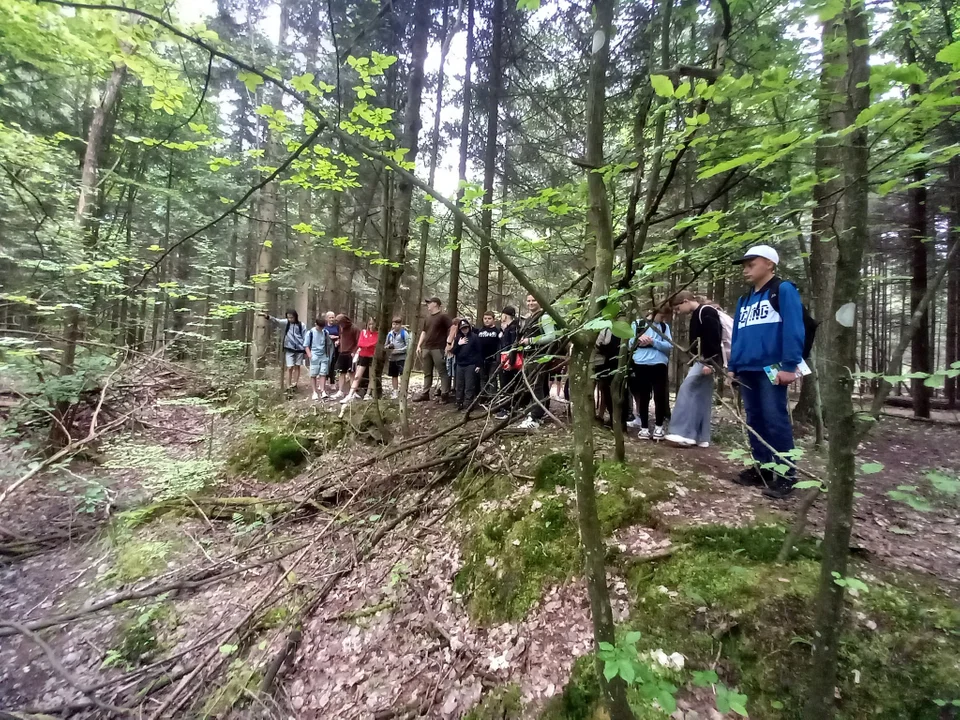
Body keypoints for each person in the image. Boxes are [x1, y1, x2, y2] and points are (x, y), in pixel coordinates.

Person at [729, 245, 806, 499]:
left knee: (775, 419)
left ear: (769, 264)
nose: (745, 270)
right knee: (755, 419)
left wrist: (789, 366)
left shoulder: (783, 290)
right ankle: (762, 467)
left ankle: (785, 474)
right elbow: (738, 335)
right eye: (745, 265)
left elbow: (794, 328)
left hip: (771, 369)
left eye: (751, 264)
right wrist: (733, 366)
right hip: (747, 368)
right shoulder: (745, 299)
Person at [664, 292, 724, 448]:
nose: (677, 312)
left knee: (687, 389)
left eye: (677, 308)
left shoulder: (706, 312)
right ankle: (701, 436)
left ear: (685, 301)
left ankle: (683, 433)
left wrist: (709, 363)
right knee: (702, 396)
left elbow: (713, 338)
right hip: (703, 360)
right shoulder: (699, 313)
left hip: (706, 360)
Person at [627, 310, 673, 440]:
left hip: (659, 365)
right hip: (641, 364)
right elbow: (630, 344)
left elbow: (669, 346)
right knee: (644, 396)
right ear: (653, 312)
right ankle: (644, 428)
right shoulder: (637, 324)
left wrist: (653, 342)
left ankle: (659, 427)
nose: (663, 318)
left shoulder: (664, 327)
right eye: (661, 315)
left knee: (659, 396)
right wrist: (638, 339)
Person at [517, 294, 557, 429]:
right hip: (531, 356)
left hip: (539, 357)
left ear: (539, 301)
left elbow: (551, 337)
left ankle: (535, 417)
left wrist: (531, 341)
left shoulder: (544, 317)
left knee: (536, 386)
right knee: (539, 386)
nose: (530, 303)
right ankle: (540, 413)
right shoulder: (531, 318)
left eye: (534, 300)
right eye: (528, 301)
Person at [415, 297, 454, 402]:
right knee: (427, 372)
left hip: (438, 347)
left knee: (442, 371)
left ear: (436, 304)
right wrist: (419, 345)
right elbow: (424, 332)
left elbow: (452, 328)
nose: (427, 304)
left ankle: (445, 394)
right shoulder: (427, 318)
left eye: (429, 303)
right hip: (427, 347)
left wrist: (449, 343)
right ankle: (425, 393)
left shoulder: (443, 317)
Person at [261, 309, 307, 391]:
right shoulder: (286, 323)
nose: (290, 319)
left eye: (291, 317)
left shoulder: (301, 325)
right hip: (289, 348)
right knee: (289, 367)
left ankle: (295, 383)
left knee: (297, 366)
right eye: (288, 317)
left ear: (295, 317)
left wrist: (306, 349)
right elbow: (276, 321)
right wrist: (268, 317)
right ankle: (288, 385)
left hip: (299, 349)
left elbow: (305, 337)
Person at [341, 318, 378, 404]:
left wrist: (368, 344)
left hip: (372, 356)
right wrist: (369, 344)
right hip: (363, 356)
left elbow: (375, 343)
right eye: (370, 324)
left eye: (373, 324)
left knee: (371, 376)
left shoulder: (377, 334)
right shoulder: (363, 332)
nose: (371, 326)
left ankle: (368, 394)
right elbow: (360, 344)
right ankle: (350, 394)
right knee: (357, 376)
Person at [494, 306, 522, 420]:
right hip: (504, 358)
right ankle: (507, 407)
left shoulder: (513, 328)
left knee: (507, 384)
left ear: (505, 315)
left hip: (509, 359)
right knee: (505, 383)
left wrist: (511, 361)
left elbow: (513, 346)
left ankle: (506, 409)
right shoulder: (507, 328)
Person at [452, 318, 483, 410]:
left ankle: (468, 403)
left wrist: (478, 365)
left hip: (471, 364)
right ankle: (459, 402)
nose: (464, 330)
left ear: (469, 327)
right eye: (462, 328)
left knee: (469, 385)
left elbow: (479, 352)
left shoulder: (474, 337)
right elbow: (454, 351)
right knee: (459, 385)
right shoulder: (458, 337)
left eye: (466, 328)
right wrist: (459, 344)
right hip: (460, 364)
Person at [303, 316, 333, 400]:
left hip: (323, 356)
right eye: (319, 327)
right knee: (314, 374)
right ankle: (314, 392)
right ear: (316, 324)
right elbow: (306, 345)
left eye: (322, 327)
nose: (320, 329)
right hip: (314, 356)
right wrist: (310, 355)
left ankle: (322, 390)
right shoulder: (310, 333)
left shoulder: (325, 332)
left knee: (323, 373)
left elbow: (328, 343)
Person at [331, 314, 359, 399]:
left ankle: (353, 392)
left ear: (346, 321)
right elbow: (341, 337)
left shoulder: (354, 328)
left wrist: (354, 352)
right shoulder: (341, 327)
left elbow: (358, 342)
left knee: (351, 373)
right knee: (341, 373)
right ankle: (340, 391)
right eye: (339, 323)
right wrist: (338, 341)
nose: (341, 325)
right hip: (342, 352)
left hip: (351, 354)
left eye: (341, 323)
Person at [476, 311, 501, 399]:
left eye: (489, 319)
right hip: (482, 359)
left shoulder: (497, 331)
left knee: (492, 379)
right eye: (485, 319)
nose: (487, 321)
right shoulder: (479, 331)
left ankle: (492, 398)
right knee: (483, 379)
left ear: (493, 320)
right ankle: (483, 397)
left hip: (494, 359)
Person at [384, 317, 409, 399]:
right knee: (394, 375)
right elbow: (385, 345)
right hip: (392, 358)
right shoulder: (390, 334)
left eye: (397, 324)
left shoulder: (404, 333)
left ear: (400, 324)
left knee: (402, 375)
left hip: (402, 358)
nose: (395, 326)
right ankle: (395, 391)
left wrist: (399, 350)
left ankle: (404, 391)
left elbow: (408, 346)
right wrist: (388, 347)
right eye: (393, 324)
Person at [323, 311, 340, 387]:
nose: (332, 319)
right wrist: (330, 337)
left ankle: (332, 382)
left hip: (336, 348)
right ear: (327, 318)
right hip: (326, 349)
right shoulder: (324, 327)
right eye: (330, 317)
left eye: (333, 317)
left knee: (334, 364)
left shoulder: (337, 326)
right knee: (326, 364)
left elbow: (341, 335)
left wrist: (338, 340)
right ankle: (325, 379)